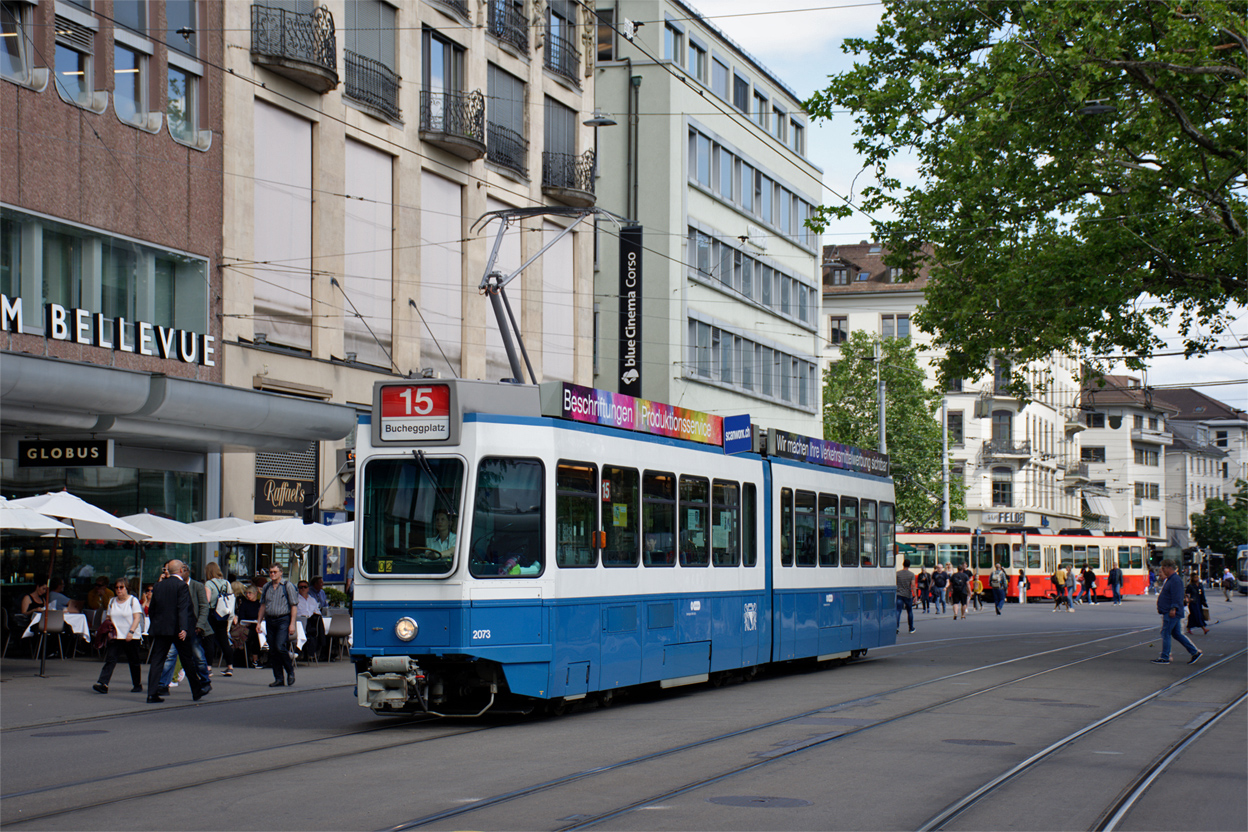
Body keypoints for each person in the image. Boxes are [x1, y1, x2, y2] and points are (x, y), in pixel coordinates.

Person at [144, 559, 209, 703]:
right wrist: (183, 628)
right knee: (187, 659)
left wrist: (155, 625)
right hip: (177, 629)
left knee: (157, 660)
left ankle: (152, 693)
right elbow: (182, 608)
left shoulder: (158, 586)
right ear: (180, 570)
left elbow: (153, 608)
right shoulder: (181, 586)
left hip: (161, 629)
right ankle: (196, 690)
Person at [92, 579, 144, 694]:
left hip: (131, 636)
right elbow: (108, 618)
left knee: (134, 661)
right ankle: (103, 683)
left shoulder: (133, 601)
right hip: (116, 635)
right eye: (116, 588)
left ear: (127, 588)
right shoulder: (112, 601)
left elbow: (137, 618)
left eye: (121, 587)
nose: (118, 590)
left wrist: (131, 632)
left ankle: (137, 684)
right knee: (110, 659)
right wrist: (107, 630)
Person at [1152, 559, 1201, 665]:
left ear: (1169, 567)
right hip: (1171, 611)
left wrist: (1173, 608)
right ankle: (1194, 652)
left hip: (1171, 612)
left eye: (1164, 568)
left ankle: (1165, 657)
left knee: (1166, 633)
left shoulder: (1175, 580)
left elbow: (1177, 596)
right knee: (1177, 634)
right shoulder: (1172, 579)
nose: (1163, 570)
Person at [258, 564, 299, 687]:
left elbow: (294, 605)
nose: (272, 574)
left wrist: (292, 624)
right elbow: (263, 606)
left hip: (283, 619)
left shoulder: (287, 586)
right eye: (271, 572)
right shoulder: (266, 587)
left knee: (280, 646)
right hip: (270, 619)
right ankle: (279, 678)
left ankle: (290, 670)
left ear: (281, 573)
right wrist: (259, 622)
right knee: (273, 650)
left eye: (275, 572)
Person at [203, 563, 234, 678]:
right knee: (224, 640)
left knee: (209, 640)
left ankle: (209, 668)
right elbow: (230, 597)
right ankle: (230, 666)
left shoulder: (209, 583)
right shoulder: (226, 583)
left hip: (212, 613)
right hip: (224, 613)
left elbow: (207, 600)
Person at [231, 585, 262, 669]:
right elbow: (242, 618)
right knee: (256, 636)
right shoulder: (244, 604)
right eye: (246, 593)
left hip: (258, 626)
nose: (248, 595)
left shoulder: (259, 604)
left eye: (250, 593)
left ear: (255, 593)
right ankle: (255, 659)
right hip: (247, 627)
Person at [295, 580, 324, 661]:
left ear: (308, 588)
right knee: (314, 631)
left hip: (311, 621)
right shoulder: (295, 599)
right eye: (301, 587)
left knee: (318, 622)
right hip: (300, 622)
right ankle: (317, 648)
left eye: (305, 587)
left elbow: (317, 612)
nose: (303, 589)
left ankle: (320, 648)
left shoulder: (312, 599)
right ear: (298, 589)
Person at [896, 559, 916, 634]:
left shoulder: (897, 573)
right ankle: (911, 628)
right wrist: (915, 595)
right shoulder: (911, 574)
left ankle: (896, 628)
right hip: (908, 595)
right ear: (909, 565)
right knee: (909, 611)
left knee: (898, 611)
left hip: (899, 594)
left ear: (903, 564)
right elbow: (913, 585)